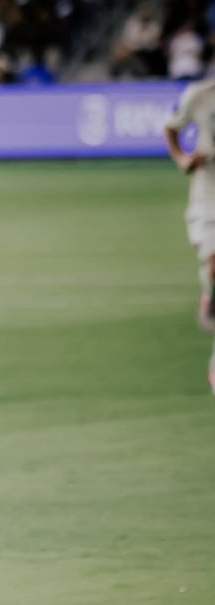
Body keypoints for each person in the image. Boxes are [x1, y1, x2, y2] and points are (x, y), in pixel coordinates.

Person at [163, 77, 215, 392]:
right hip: (208, 198)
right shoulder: (199, 96)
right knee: (213, 264)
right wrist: (183, 158)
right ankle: (209, 292)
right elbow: (170, 127)